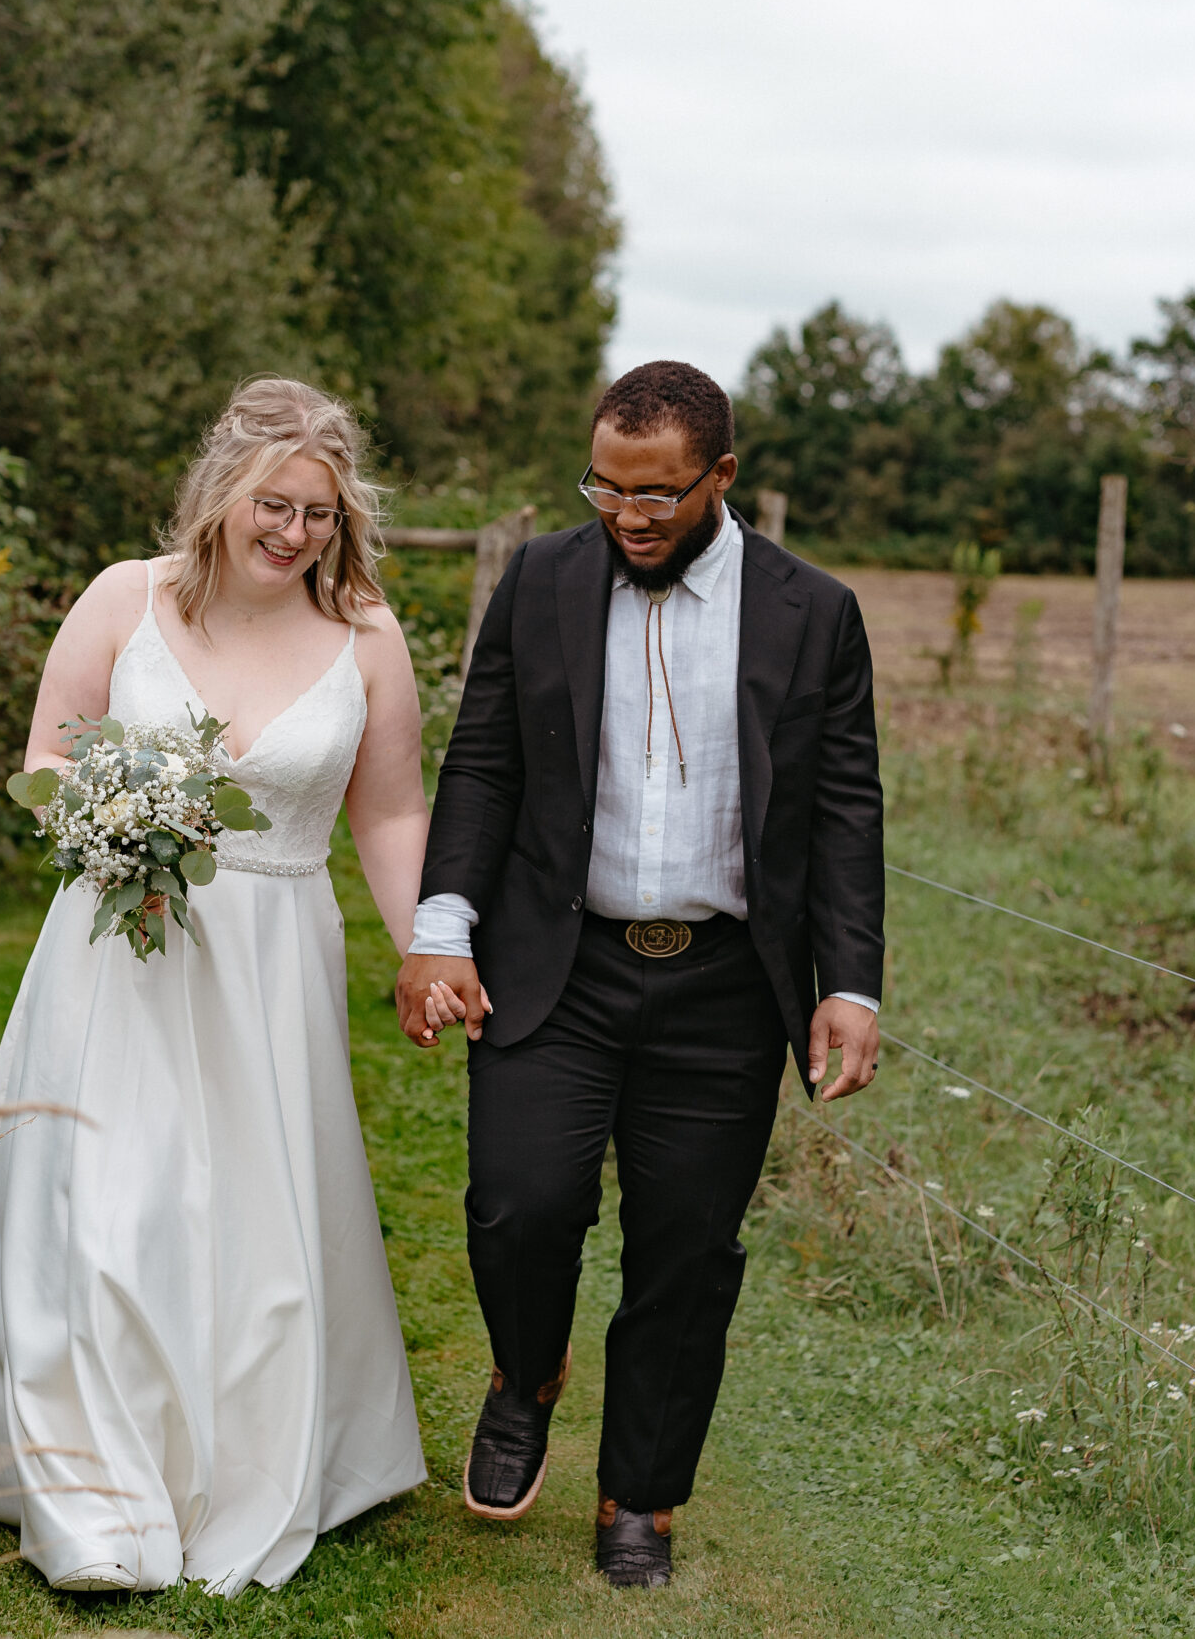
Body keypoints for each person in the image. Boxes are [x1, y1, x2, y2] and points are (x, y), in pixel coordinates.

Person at [0, 378, 431, 1595]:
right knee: (106, 1206)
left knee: (261, 1227)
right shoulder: (125, 597)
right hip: (120, 945)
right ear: (221, 493)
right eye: (275, 504)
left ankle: (251, 1452)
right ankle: (91, 1489)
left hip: (273, 965)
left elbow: (391, 807)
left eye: (318, 514)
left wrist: (428, 947)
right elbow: (48, 755)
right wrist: (112, 826)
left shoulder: (365, 633)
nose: (295, 534)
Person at [397, 360, 885, 1590]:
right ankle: (524, 1373)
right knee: (518, 1203)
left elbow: (843, 809)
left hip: (724, 987)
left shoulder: (812, 612)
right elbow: (485, 764)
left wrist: (852, 984)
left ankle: (639, 1499)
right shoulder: (541, 580)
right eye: (607, 488)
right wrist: (442, 926)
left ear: (720, 477)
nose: (630, 515)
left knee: (684, 1250)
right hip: (556, 965)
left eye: (658, 492)